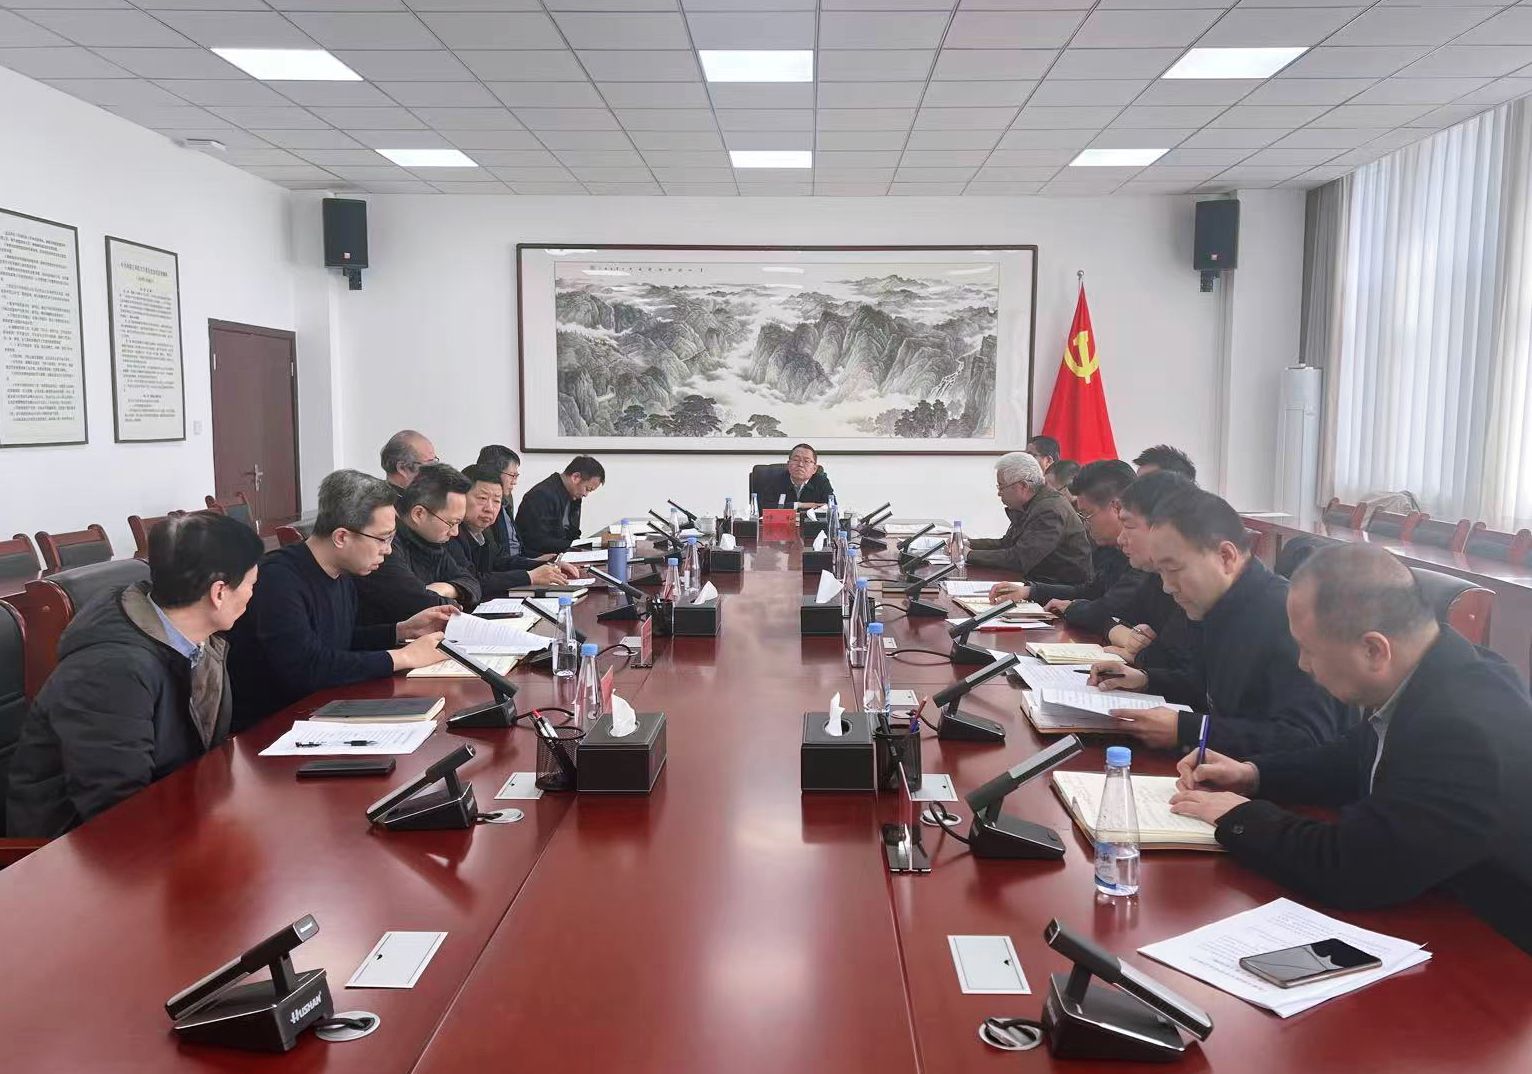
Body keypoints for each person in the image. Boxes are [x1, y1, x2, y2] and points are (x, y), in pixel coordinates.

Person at [1170, 544, 1532, 953]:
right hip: (1440, 905)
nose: (1303, 665)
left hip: (1500, 949)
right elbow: (1353, 757)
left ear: (1374, 650)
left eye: (1309, 649)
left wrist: (1237, 816)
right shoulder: (1433, 668)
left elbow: (1352, 867)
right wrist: (1253, 774)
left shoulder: (1461, 727)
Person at [7, 513, 265, 837]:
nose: (252, 595)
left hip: (172, 814)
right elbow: (118, 811)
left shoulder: (197, 640)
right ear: (219, 592)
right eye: (251, 585)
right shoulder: (110, 672)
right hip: (77, 849)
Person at [1091, 486, 1350, 755]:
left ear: (1226, 557)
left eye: (1174, 569)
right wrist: (1146, 680)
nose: (1167, 586)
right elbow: (1204, 687)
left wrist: (1192, 729)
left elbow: (1306, 738)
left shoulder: (1286, 617)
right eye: (1161, 572)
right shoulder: (1214, 604)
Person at [226, 470, 455, 730]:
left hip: (321, 711)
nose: (388, 550)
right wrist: (402, 657)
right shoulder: (277, 581)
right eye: (383, 538)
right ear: (342, 537)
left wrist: (401, 630)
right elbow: (307, 668)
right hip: (269, 728)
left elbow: (339, 641)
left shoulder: (342, 572)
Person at [990, 460, 1143, 634]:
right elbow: (1090, 591)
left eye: (1087, 514)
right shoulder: (1110, 550)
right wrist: (1030, 591)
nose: (1085, 524)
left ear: (1117, 508)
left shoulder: (1143, 557)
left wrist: (1072, 608)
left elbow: (1109, 608)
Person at [355, 462, 479, 623]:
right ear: (419, 514)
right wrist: (451, 597)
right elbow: (417, 603)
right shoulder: (385, 546)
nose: (455, 532)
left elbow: (472, 582)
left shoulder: (431, 541)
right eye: (451, 523)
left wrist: (446, 588)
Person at [966, 451, 1092, 584]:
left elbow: (1020, 558)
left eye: (1001, 486)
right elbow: (1007, 544)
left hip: (1059, 588)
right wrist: (967, 544)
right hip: (1038, 581)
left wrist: (968, 555)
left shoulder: (1048, 510)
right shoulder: (1031, 504)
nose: (999, 493)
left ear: (1023, 486)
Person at [453, 464, 573, 594]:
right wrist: (529, 577)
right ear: (460, 498)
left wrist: (548, 566)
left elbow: (501, 563)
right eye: (482, 498)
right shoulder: (451, 534)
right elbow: (472, 582)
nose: (490, 508)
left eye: (496, 501)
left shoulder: (484, 531)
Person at [516, 455, 605, 556]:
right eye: (587, 489)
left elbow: (573, 533)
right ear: (575, 477)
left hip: (562, 555)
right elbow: (539, 542)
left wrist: (582, 548)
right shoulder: (542, 495)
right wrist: (577, 546)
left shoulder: (574, 496)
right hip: (537, 558)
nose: (586, 494)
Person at [759, 443, 834, 509]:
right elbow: (765, 508)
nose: (800, 464)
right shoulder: (775, 481)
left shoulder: (822, 482)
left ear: (814, 469)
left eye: (806, 461)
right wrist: (799, 505)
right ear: (788, 465)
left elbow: (832, 509)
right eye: (796, 460)